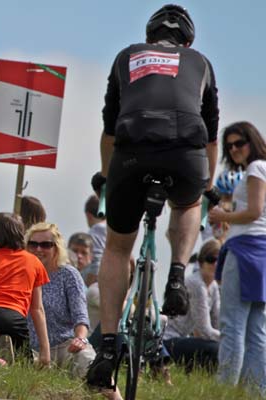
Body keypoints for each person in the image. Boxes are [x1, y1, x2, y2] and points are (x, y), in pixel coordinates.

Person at [86, 5, 219, 389]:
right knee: (189, 202)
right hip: (185, 153)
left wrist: (106, 178)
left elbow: (109, 131)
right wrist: (207, 187)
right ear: (188, 43)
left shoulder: (126, 57)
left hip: (131, 152)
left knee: (116, 248)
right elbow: (211, 138)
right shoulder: (201, 62)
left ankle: (107, 348)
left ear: (148, 39)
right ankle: (177, 273)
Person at [208, 121, 266, 395]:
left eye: (239, 143)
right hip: (261, 254)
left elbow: (254, 211)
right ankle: (255, 393)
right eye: (229, 146)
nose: (233, 149)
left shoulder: (255, 168)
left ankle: (224, 390)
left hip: (244, 250)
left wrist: (224, 215)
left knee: (232, 325)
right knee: (256, 330)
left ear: (252, 141)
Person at [0, 212, 50, 366]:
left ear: (0, 237)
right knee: (24, 364)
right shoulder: (34, 262)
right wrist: (45, 351)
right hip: (13, 318)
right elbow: (37, 309)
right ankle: (7, 356)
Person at [25, 223, 94, 374]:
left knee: (90, 364)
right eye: (33, 244)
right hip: (31, 350)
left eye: (45, 245)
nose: (38, 249)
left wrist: (80, 339)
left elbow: (80, 316)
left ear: (56, 248)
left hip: (65, 347)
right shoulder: (22, 275)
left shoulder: (68, 275)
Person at [163, 239, 220, 374]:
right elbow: (204, 330)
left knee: (221, 349)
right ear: (201, 262)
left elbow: (217, 322)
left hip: (183, 338)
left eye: (219, 260)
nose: (216, 264)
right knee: (215, 350)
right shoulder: (196, 284)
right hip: (168, 340)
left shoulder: (213, 286)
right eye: (211, 259)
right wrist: (230, 340)